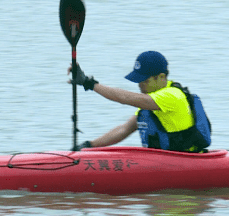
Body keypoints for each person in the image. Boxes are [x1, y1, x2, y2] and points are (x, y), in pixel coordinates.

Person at [69, 51, 211, 152]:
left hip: (185, 160)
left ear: (161, 77)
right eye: (138, 80)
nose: (139, 84)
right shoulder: (153, 101)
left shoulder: (172, 96)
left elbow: (125, 98)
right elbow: (124, 129)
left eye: (144, 80)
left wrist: (89, 83)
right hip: (163, 160)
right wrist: (89, 145)